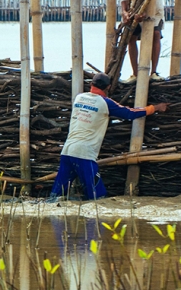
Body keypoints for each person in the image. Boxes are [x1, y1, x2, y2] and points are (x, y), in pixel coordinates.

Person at [50, 72, 168, 200]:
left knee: (55, 196)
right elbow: (130, 113)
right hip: (84, 154)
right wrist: (154, 107)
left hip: (67, 151)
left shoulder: (79, 98)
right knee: (97, 198)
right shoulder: (105, 103)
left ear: (91, 84)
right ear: (108, 87)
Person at [113, 0, 164, 83]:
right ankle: (135, 74)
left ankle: (153, 72)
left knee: (156, 35)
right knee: (131, 37)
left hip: (152, 6)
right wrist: (124, 12)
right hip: (134, 7)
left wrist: (140, 12)